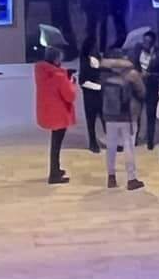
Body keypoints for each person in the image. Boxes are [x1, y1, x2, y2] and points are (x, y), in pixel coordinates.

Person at [97, 51, 146, 192]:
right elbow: (142, 92)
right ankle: (131, 179)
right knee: (128, 146)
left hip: (109, 115)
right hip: (127, 116)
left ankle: (111, 177)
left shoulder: (104, 75)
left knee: (111, 147)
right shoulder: (132, 74)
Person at [33, 43, 77, 185]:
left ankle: (56, 169)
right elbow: (70, 96)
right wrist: (72, 82)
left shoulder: (41, 72)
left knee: (55, 144)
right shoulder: (58, 76)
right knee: (56, 145)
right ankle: (54, 174)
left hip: (48, 112)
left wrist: (65, 75)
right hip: (59, 113)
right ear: (56, 59)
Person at [76, 35, 106, 154]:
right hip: (90, 95)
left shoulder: (99, 59)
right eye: (94, 46)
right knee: (91, 120)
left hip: (100, 94)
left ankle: (111, 141)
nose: (96, 48)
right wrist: (98, 86)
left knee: (105, 118)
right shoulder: (85, 61)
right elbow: (82, 81)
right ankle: (93, 143)